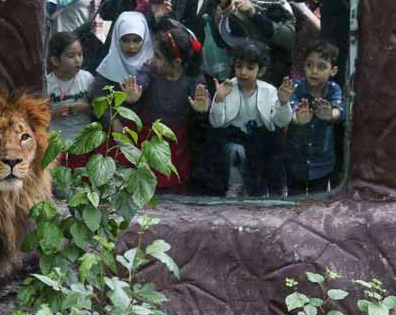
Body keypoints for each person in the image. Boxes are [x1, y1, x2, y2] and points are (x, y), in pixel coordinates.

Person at [90, 16, 208, 193]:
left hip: (176, 141)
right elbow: (139, 82)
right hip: (146, 135)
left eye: (158, 56)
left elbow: (202, 106)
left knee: (172, 181)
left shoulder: (193, 78)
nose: (153, 59)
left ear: (176, 62)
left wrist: (202, 111)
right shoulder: (150, 69)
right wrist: (132, 98)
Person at [205, 41, 294, 198]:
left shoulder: (270, 90)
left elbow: (281, 122)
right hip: (234, 137)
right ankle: (235, 186)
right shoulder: (226, 87)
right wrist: (218, 99)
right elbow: (216, 122)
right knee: (236, 151)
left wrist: (283, 102)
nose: (243, 72)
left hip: (261, 138)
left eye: (250, 68)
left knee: (275, 150)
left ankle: (277, 190)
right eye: (239, 66)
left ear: (261, 71)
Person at [286, 42, 343, 195]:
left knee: (317, 206)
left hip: (322, 163)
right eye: (309, 65)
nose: (314, 71)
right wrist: (297, 118)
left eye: (321, 66)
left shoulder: (333, 89)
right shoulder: (295, 87)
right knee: (294, 203)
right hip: (295, 161)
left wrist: (330, 115)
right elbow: (289, 112)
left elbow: (340, 111)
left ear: (333, 70)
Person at [46, 31, 95, 153]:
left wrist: (85, 108)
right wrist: (54, 114)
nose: (78, 60)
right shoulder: (47, 84)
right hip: (55, 144)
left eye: (80, 54)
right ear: (55, 61)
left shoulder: (88, 79)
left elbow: (99, 110)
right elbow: (38, 117)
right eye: (71, 56)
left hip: (83, 143)